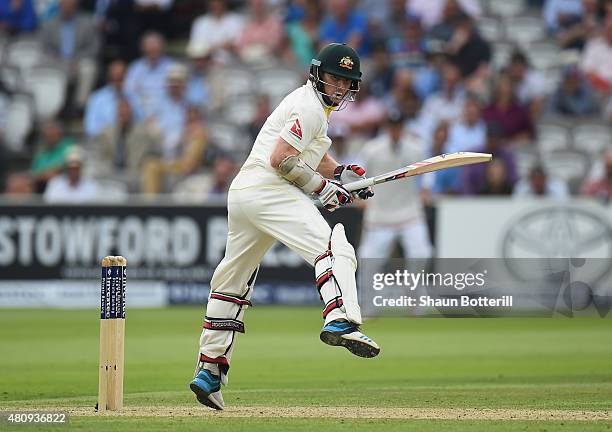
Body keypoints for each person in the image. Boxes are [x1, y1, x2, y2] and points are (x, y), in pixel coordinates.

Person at [190, 43, 380, 411]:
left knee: (233, 280)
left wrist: (340, 172)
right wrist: (324, 189)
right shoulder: (310, 106)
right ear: (318, 74)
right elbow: (282, 160)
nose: (340, 87)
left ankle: (209, 371)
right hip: (268, 189)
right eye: (335, 78)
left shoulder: (311, 108)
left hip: (244, 194)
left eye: (347, 82)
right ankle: (340, 318)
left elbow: (310, 154)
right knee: (333, 246)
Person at [358, 110, 433, 260]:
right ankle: (364, 285)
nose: (395, 131)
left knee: (422, 254)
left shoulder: (415, 147)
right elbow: (357, 172)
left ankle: (416, 284)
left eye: (398, 126)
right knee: (368, 258)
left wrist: (425, 188)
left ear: (403, 127)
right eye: (392, 127)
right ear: (387, 127)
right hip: (380, 214)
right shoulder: (372, 149)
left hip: (409, 212)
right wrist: (360, 195)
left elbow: (429, 168)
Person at [84, 60, 127, 139]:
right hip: (104, 142)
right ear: (109, 79)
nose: (118, 83)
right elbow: (90, 129)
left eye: (121, 78)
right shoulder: (97, 98)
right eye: (114, 79)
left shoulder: (132, 96)